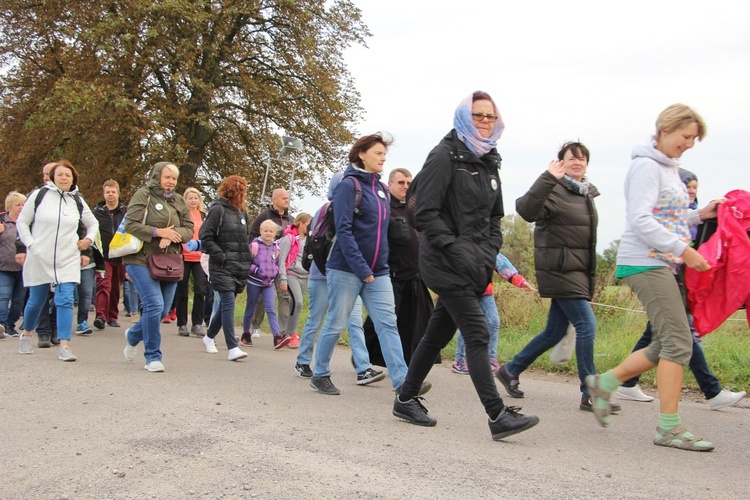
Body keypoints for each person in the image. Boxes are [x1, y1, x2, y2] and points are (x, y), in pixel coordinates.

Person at [392, 91, 538, 441]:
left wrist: (488, 252)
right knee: (477, 332)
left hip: (474, 263)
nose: (485, 121)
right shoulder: (445, 156)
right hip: (444, 261)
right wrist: (456, 249)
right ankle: (497, 415)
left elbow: (494, 217)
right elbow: (422, 213)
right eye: (478, 115)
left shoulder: (489, 161)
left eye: (490, 116)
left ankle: (405, 398)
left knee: (437, 334)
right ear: (463, 118)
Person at [585, 104, 721, 452]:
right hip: (645, 261)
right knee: (679, 342)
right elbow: (642, 220)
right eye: (686, 136)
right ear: (665, 129)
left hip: (662, 261)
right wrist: (685, 249)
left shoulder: (668, 168)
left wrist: (699, 215)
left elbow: (669, 216)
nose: (690, 143)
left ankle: (605, 383)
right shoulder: (646, 166)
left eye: (694, 139)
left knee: (666, 343)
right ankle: (668, 428)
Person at [495, 142, 620, 413]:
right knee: (587, 324)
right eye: (571, 158)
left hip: (576, 272)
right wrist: (547, 178)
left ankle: (511, 370)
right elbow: (525, 210)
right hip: (561, 272)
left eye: (582, 158)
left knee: (554, 332)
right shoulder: (554, 189)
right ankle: (590, 392)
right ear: (559, 163)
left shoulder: (585, 193)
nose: (577, 162)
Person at [616, 170, 747, 409]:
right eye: (686, 186)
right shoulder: (669, 205)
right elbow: (656, 223)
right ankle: (709, 393)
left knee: (661, 335)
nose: (691, 190)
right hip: (655, 269)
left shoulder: (694, 211)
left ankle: (620, 382)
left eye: (695, 186)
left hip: (672, 275)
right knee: (680, 337)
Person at [310, 133, 415, 397]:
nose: (383, 158)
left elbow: (383, 232)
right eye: (378, 153)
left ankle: (403, 383)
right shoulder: (349, 186)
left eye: (384, 154)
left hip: (378, 271)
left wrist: (382, 266)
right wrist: (362, 268)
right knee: (336, 322)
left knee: (387, 324)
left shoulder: (379, 188)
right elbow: (343, 231)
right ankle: (320, 373)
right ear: (362, 155)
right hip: (346, 268)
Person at [294, 173, 384, 384]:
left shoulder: (359, 210)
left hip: (347, 274)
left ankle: (363, 368)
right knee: (316, 320)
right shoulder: (325, 210)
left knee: (354, 323)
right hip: (322, 274)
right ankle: (303, 361)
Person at [16, 160, 99, 361]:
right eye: (60, 174)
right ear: (53, 177)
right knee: (36, 300)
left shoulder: (77, 200)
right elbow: (22, 222)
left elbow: (92, 223)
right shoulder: (39, 196)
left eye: (68, 175)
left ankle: (64, 345)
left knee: (65, 300)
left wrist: (87, 240)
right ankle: (27, 334)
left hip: (67, 257)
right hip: (40, 256)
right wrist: (31, 245)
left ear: (73, 179)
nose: (64, 178)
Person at [122, 162, 193, 372]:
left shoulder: (179, 200)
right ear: (156, 177)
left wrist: (173, 236)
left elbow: (189, 229)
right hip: (140, 259)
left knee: (162, 310)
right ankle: (152, 356)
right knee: (153, 305)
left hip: (169, 261)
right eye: (167, 177)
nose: (171, 182)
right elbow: (131, 224)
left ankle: (134, 334)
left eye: (174, 178)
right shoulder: (143, 195)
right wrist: (158, 232)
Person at [362, 168, 435, 366]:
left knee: (416, 324)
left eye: (409, 183)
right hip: (391, 276)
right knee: (382, 322)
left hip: (416, 276)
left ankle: (409, 363)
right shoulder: (383, 209)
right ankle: (363, 357)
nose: (405, 187)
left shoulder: (416, 209)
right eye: (401, 182)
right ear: (391, 184)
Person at [452, 253, 535, 374]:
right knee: (467, 324)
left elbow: (501, 264)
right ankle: (459, 361)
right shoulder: (462, 241)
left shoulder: (487, 243)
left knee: (493, 321)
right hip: (465, 290)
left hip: (485, 291)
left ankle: (490, 361)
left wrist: (521, 282)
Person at [200, 175, 250, 361]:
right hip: (221, 265)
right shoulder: (217, 210)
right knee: (228, 302)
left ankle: (209, 336)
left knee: (223, 306)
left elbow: (244, 240)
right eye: (240, 190)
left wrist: (247, 260)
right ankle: (232, 347)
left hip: (238, 266)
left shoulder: (242, 213)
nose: (242, 194)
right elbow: (206, 238)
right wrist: (221, 255)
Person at [248, 188, 292, 338]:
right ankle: (255, 325)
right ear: (274, 200)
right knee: (260, 298)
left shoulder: (290, 220)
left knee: (284, 296)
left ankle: (282, 332)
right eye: (284, 198)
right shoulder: (263, 217)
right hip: (263, 266)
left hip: (282, 265)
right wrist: (254, 264)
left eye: (288, 198)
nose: (287, 200)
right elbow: (252, 238)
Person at [242, 219, 286, 348]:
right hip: (254, 282)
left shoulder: (276, 248)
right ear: (261, 231)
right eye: (265, 231)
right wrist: (256, 270)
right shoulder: (255, 245)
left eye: (271, 231)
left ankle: (277, 336)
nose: (268, 233)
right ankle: (246, 334)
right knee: (251, 308)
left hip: (269, 283)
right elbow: (247, 262)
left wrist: (275, 271)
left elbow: (277, 263)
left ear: (275, 233)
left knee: (271, 309)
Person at [92, 179, 127, 330]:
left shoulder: (126, 212)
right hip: (103, 255)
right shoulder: (97, 213)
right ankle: (101, 316)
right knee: (103, 285)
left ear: (118, 193)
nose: (111, 195)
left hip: (120, 255)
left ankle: (112, 316)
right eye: (108, 192)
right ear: (104, 194)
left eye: (113, 192)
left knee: (115, 287)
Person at [273, 212, 312, 349]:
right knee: (299, 302)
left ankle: (286, 333)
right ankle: (292, 333)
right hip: (291, 274)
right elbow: (282, 261)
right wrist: (283, 279)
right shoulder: (289, 238)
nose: (310, 227)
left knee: (293, 304)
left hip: (305, 276)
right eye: (308, 224)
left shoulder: (310, 240)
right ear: (300, 224)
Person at [175, 187, 208, 337]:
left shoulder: (204, 215)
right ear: (185, 200)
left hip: (199, 257)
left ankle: (197, 323)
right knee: (182, 290)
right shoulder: (181, 215)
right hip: (184, 255)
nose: (193, 201)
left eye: (195, 198)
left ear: (199, 200)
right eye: (190, 198)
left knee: (201, 290)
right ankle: (182, 323)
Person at [0, 191, 27, 339]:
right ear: (9, 206)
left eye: (23, 204)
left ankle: (11, 325)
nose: (21, 207)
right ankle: (1, 325)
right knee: (3, 296)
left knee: (18, 300)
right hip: (3, 267)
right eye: (18, 205)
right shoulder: (1, 221)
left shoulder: (29, 223)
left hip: (23, 269)